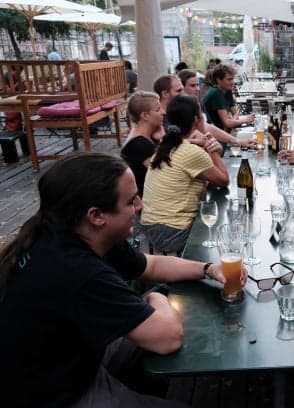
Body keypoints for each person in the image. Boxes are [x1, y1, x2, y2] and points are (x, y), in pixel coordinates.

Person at [0, 152, 244, 406]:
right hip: (57, 395)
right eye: (131, 200)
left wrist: (208, 268)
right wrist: (155, 297)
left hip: (74, 360)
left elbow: (151, 264)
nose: (140, 205)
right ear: (96, 216)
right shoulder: (76, 269)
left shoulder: (73, 232)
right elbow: (168, 338)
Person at [141, 94, 229, 254]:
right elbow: (223, 180)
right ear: (196, 119)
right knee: (224, 228)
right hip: (171, 232)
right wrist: (212, 148)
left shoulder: (166, 146)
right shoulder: (191, 152)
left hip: (152, 226)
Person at [121, 91, 164, 197]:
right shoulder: (139, 144)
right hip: (145, 199)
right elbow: (164, 173)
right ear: (145, 115)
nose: (163, 112)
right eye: (158, 110)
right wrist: (164, 140)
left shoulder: (145, 136)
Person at [202, 64, 254, 132]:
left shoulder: (227, 90)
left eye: (233, 79)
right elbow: (227, 123)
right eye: (229, 79)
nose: (233, 82)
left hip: (223, 130)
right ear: (218, 80)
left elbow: (235, 113)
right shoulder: (216, 92)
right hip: (214, 133)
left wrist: (232, 120)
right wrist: (245, 120)